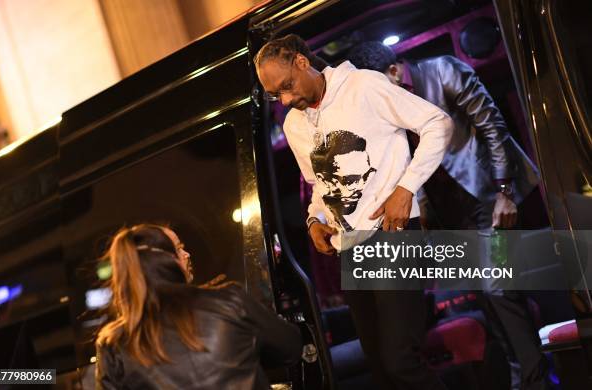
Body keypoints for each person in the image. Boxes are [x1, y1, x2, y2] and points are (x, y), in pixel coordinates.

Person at [255, 34, 453, 389]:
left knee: (401, 361)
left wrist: (406, 188)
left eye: (286, 86)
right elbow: (319, 186)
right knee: (380, 367)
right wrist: (314, 219)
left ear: (303, 62)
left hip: (393, 237)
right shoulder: (294, 124)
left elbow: (438, 123)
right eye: (276, 95)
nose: (286, 100)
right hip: (351, 247)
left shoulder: (364, 86)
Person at [348, 41, 548, 390]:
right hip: (449, 214)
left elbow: (492, 126)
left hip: (487, 196)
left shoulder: (444, 70)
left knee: (499, 289)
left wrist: (505, 192)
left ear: (394, 71)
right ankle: (520, 376)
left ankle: (536, 380)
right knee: (484, 296)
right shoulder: (387, 106)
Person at [95, 223, 301, 390]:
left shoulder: (112, 343)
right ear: (167, 260)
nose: (187, 254)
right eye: (178, 249)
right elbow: (291, 348)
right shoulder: (228, 300)